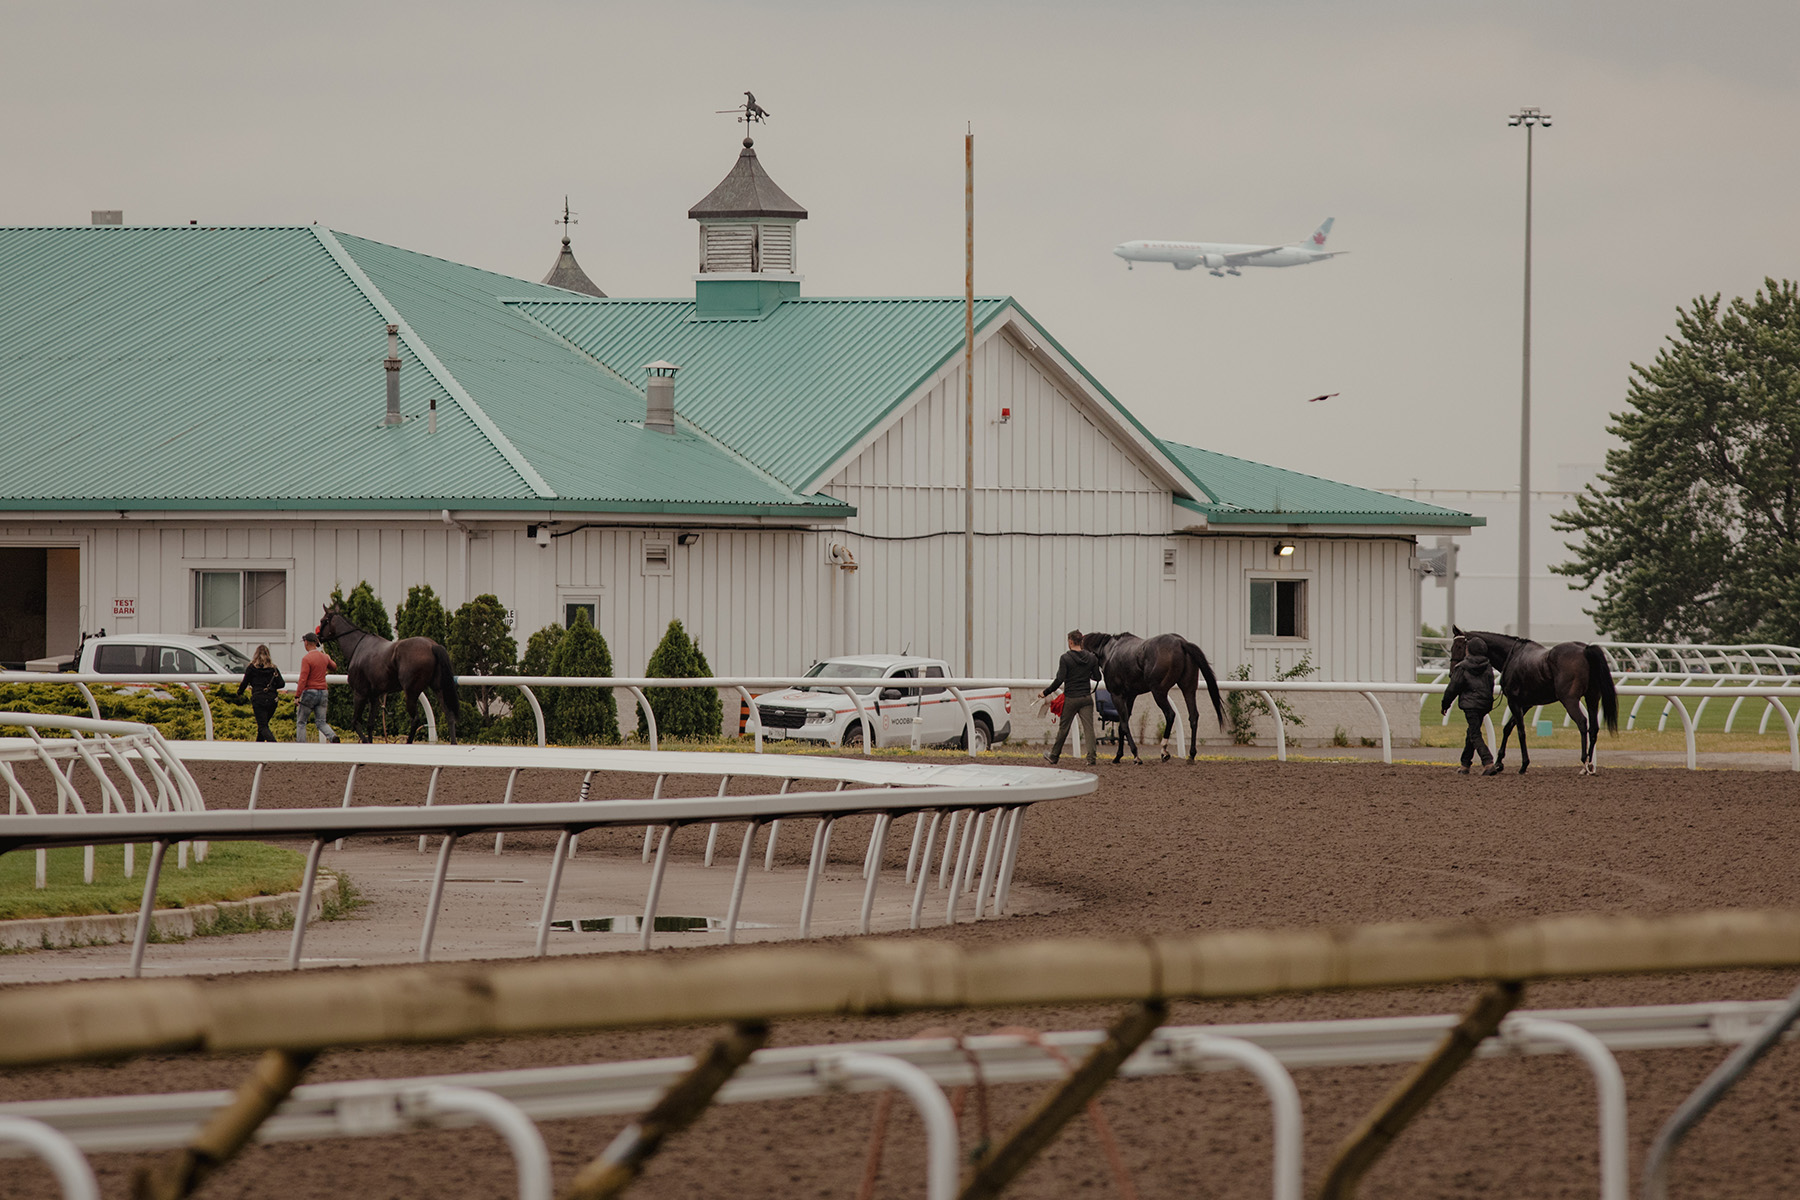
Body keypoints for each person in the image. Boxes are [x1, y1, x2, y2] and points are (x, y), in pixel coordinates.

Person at [1041, 629, 1101, 766]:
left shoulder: (1065, 658)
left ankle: (1054, 756)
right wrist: (1087, 673)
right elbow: (1098, 677)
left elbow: (1059, 680)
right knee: (1089, 729)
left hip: (1071, 698)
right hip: (1086, 698)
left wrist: (1045, 692)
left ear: (1070, 641)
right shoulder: (1092, 658)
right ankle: (1091, 758)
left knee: (1064, 728)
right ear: (1081, 641)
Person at [1441, 635, 1496, 774]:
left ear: (1468, 650)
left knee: (1475, 734)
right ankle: (1465, 765)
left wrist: (1445, 704)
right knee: (1471, 732)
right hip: (1485, 704)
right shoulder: (1488, 667)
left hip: (1470, 705)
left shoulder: (1462, 667)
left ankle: (1488, 762)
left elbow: (1453, 688)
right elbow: (1491, 685)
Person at [295, 631, 339, 744]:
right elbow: (334, 667)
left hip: (310, 692)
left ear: (306, 643)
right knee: (321, 722)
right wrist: (328, 658)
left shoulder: (306, 659)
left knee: (301, 722)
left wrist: (297, 695)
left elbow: (303, 679)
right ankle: (333, 736)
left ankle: (301, 745)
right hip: (323, 691)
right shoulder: (324, 657)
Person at [234, 644, 285, 743]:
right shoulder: (273, 669)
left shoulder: (251, 668)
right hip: (272, 700)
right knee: (263, 725)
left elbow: (244, 683)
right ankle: (259, 747)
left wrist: (239, 693)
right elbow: (281, 684)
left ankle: (275, 745)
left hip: (258, 700)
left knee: (262, 726)